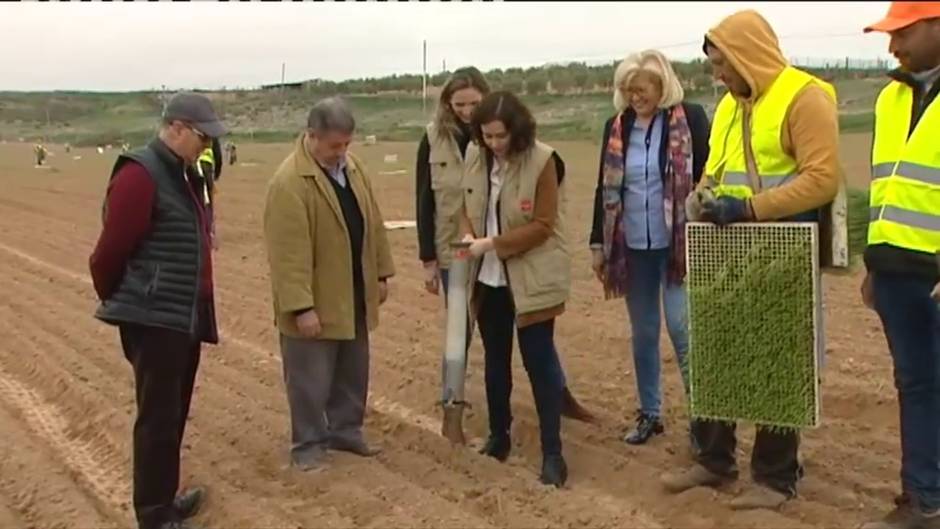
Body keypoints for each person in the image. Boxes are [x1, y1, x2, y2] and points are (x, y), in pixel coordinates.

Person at [661, 10, 841, 510]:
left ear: (748, 55)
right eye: (715, 66)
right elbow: (715, 170)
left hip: (781, 249)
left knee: (777, 361)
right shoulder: (727, 107)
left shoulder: (804, 97)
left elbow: (821, 177)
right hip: (726, 249)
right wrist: (702, 196)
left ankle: (775, 478)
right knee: (717, 351)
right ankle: (714, 460)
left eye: (724, 64)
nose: (718, 75)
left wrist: (749, 209)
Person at [416, 66, 595, 423]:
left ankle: (557, 396)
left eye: (474, 103)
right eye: (459, 104)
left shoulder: (510, 140)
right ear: (448, 104)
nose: (466, 111)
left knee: (533, 334)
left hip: (507, 250)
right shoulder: (434, 139)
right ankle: (452, 399)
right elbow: (424, 199)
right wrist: (428, 258)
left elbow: (539, 213)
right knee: (460, 332)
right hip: (459, 246)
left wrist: (492, 242)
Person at [89, 92, 226, 529]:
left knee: (173, 412)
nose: (208, 149)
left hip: (181, 314)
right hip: (154, 319)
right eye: (204, 139)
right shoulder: (140, 175)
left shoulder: (182, 174)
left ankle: (165, 500)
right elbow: (108, 253)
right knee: (157, 419)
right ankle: (152, 514)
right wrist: (130, 301)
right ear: (177, 128)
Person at [262, 97, 395, 473]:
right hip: (315, 298)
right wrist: (301, 307)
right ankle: (307, 443)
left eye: (347, 144)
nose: (342, 152)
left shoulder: (353, 169)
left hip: (353, 289)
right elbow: (287, 255)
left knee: (353, 368)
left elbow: (373, 224)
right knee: (309, 377)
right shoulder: (289, 183)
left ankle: (346, 430)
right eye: (335, 145)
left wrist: (381, 273)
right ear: (312, 137)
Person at [589, 50, 710, 446]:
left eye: (640, 89)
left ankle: (703, 420)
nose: (634, 96)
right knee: (643, 332)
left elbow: (709, 172)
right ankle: (650, 413)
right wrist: (597, 244)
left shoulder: (689, 119)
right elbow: (604, 187)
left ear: (662, 86)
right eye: (627, 89)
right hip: (632, 245)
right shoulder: (617, 126)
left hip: (678, 245)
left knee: (682, 328)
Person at [460, 90, 571, 487]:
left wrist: (491, 244)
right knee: (495, 361)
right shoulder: (475, 157)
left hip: (531, 279)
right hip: (488, 279)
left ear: (518, 131)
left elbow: (542, 225)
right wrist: (469, 234)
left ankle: (553, 454)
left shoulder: (543, 161)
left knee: (540, 365)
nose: (493, 144)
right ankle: (498, 436)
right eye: (487, 137)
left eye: (500, 137)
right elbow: (466, 204)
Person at [859, 3, 940, 528]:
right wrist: (875, 263)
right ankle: (924, 499)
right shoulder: (890, 97)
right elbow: (885, 186)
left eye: (903, 33)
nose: (893, 46)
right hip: (895, 274)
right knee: (916, 386)